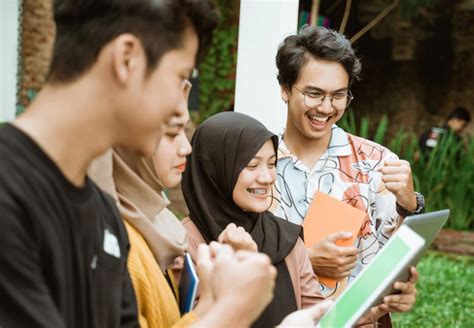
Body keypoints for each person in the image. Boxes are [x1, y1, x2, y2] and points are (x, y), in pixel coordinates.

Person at [0, 0, 277, 326]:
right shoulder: (9, 193)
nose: (179, 107)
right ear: (126, 59)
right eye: (179, 78)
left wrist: (216, 301)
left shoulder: (103, 212)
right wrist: (232, 311)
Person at [271, 26, 421, 325]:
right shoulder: (256, 165)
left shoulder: (379, 162)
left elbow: (394, 257)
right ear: (285, 89)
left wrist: (410, 207)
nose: (326, 108)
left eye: (338, 95)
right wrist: (305, 261)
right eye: (314, 94)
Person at [181, 111, 332, 327]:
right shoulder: (184, 244)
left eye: (271, 164)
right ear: (215, 169)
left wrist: (370, 309)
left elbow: (318, 315)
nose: (266, 178)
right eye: (252, 165)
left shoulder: (285, 238)